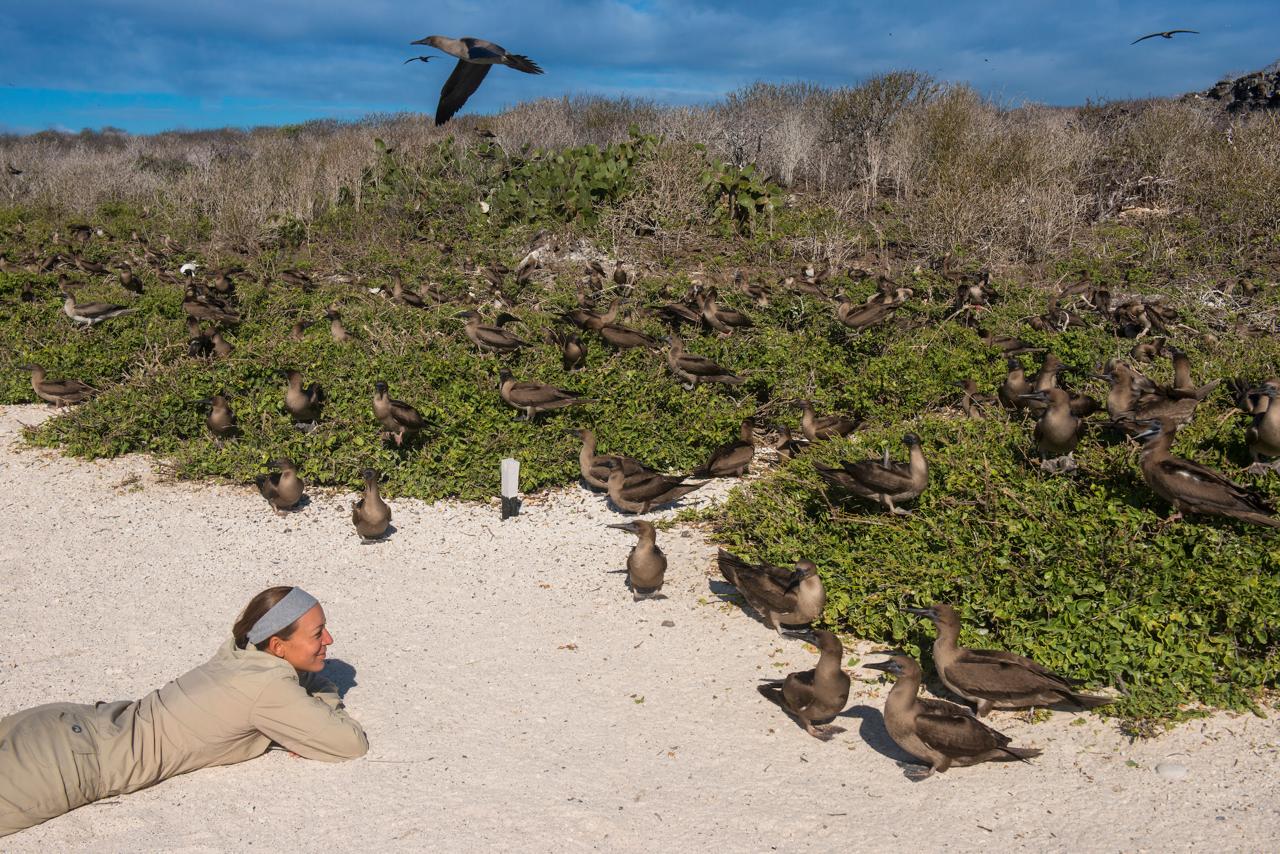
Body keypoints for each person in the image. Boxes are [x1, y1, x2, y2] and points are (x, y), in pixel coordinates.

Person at [0, 586, 368, 838]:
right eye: (318, 633)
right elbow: (349, 744)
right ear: (277, 645)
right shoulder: (270, 689)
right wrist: (322, 692)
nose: (329, 640)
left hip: (64, 722)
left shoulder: (236, 651)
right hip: (68, 765)